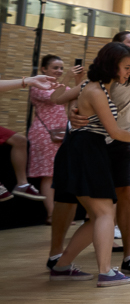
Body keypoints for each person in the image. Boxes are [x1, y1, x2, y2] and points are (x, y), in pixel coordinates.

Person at [48, 42, 130, 286]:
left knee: (102, 213)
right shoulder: (96, 91)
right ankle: (106, 272)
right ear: (111, 66)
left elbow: (58, 98)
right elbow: (116, 132)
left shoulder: (93, 87)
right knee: (105, 212)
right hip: (86, 150)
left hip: (87, 150)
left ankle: (63, 265)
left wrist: (69, 91)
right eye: (127, 68)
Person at [28, 56, 82, 215]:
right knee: (48, 175)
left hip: (62, 131)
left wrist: (78, 78)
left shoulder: (60, 85)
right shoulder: (38, 85)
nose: (59, 71)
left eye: (61, 68)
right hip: (44, 133)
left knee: (61, 173)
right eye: (55, 68)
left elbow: (76, 95)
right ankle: (51, 214)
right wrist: (67, 78)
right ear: (44, 69)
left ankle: (61, 214)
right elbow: (55, 98)